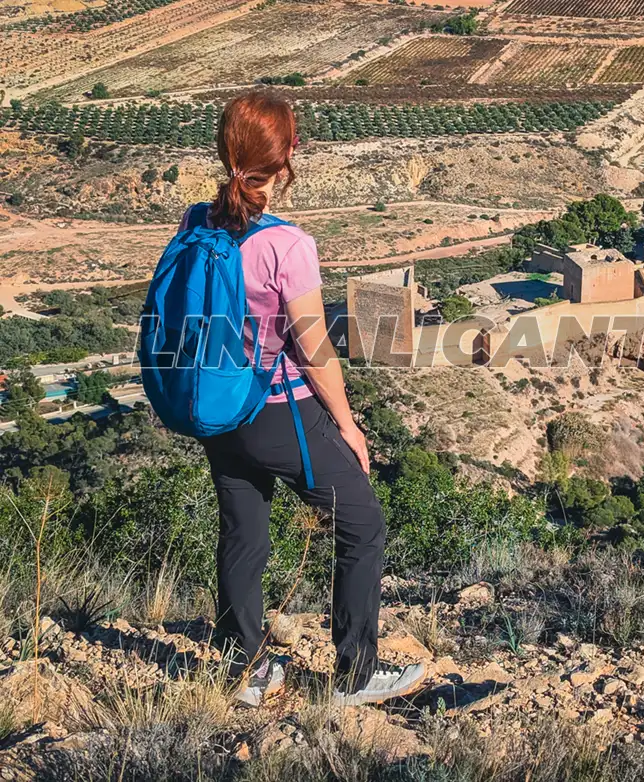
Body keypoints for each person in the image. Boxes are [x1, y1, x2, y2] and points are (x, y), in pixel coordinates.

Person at [183, 90, 424, 707]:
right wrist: (349, 426)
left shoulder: (195, 222)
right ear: (290, 155)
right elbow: (315, 351)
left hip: (217, 409)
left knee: (243, 532)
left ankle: (247, 671)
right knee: (363, 523)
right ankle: (355, 676)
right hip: (276, 410)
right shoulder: (287, 244)